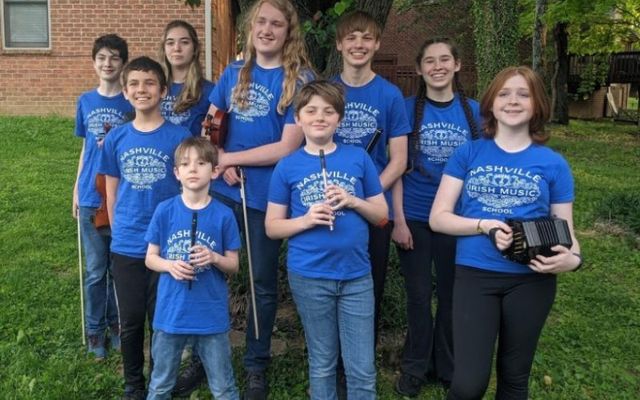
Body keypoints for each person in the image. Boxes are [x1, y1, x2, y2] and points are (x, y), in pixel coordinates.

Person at [429, 66, 582, 400]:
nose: (513, 101)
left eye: (523, 94)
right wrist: (484, 225)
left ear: (537, 104)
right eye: (504, 93)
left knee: (514, 379)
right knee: (469, 384)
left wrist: (573, 260)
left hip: (531, 281)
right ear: (491, 102)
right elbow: (438, 218)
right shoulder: (468, 153)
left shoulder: (553, 163)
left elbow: (566, 233)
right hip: (475, 276)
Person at [203, 1, 314, 398]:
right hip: (222, 191)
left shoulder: (300, 79)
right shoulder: (233, 73)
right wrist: (220, 156)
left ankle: (256, 363)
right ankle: (204, 357)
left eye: (277, 24)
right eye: (261, 22)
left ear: (288, 32)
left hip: (267, 197)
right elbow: (211, 123)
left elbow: (287, 147)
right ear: (251, 29)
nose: (267, 30)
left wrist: (229, 157)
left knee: (261, 282)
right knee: (207, 271)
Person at [265, 80, 388, 400]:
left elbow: (381, 215)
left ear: (340, 119)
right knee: (322, 362)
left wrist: (353, 201)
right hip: (309, 276)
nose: (320, 117)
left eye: (329, 111)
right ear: (299, 118)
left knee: (361, 367)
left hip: (356, 276)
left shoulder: (358, 158)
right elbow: (272, 227)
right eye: (311, 111)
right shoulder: (287, 166)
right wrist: (306, 220)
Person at [391, 37, 481, 397]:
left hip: (456, 219)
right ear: (419, 69)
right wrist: (397, 219)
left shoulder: (474, 111)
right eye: (430, 61)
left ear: (457, 65)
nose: (438, 66)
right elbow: (397, 168)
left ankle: (447, 365)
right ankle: (415, 366)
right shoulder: (406, 108)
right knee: (417, 295)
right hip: (414, 214)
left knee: (450, 294)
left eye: (445, 59)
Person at [99, 56, 192, 400]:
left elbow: (190, 189)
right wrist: (116, 228)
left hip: (167, 247)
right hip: (126, 243)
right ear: (125, 92)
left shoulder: (179, 137)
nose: (142, 89)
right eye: (134, 84)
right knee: (133, 319)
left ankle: (159, 383)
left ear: (163, 90)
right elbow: (111, 188)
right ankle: (133, 385)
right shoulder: (117, 138)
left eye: (150, 83)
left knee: (162, 321)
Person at [333, 10, 411, 344]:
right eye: (351, 37)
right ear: (339, 44)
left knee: (370, 283)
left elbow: (399, 161)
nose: (359, 44)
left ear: (377, 44)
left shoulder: (390, 95)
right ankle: (332, 356)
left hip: (374, 206)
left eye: (366, 37)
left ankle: (361, 353)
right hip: (331, 201)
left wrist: (367, 198)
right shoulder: (325, 90)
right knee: (330, 281)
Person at [144, 137, 241, 400]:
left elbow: (233, 265)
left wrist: (214, 258)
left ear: (214, 170)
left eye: (201, 163)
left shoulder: (224, 214)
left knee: (223, 387)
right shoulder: (164, 211)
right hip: (170, 314)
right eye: (185, 164)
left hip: (210, 316)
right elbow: (150, 258)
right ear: (176, 173)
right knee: (160, 384)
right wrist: (170, 265)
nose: (193, 169)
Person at [72, 33, 133, 360]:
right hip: (90, 194)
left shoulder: (129, 102)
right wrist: (75, 189)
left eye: (114, 58)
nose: (107, 64)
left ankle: (117, 325)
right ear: (94, 62)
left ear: (123, 63)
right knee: (96, 270)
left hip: (120, 195)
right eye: (102, 58)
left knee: (116, 266)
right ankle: (95, 330)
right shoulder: (85, 101)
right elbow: (84, 149)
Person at [159, 20, 214, 137]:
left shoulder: (210, 91)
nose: (177, 48)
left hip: (190, 154)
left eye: (184, 42)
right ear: (164, 49)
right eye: (170, 43)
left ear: (195, 49)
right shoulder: (154, 88)